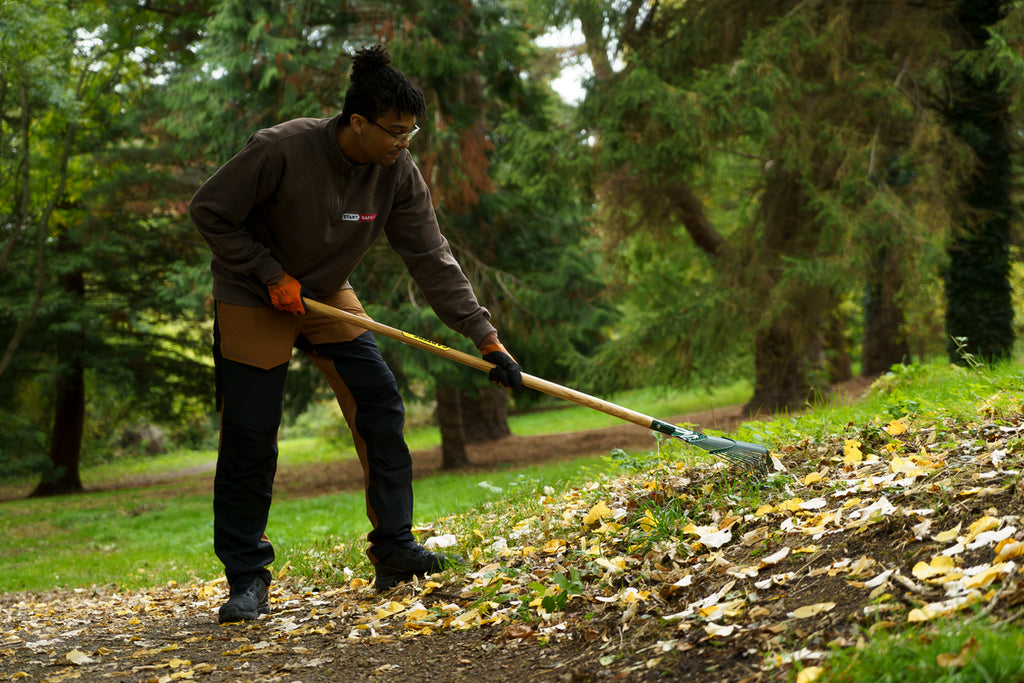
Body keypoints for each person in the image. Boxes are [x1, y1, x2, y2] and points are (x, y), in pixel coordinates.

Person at [189, 44, 523, 624]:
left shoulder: (397, 172)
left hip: (325, 294)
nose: (404, 143)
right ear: (358, 122)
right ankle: (247, 577)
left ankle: (394, 549)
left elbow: (430, 255)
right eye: (395, 131)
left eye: (411, 131)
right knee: (250, 432)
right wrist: (269, 274)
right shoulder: (280, 148)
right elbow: (209, 210)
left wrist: (484, 336)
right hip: (251, 293)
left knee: (379, 403)